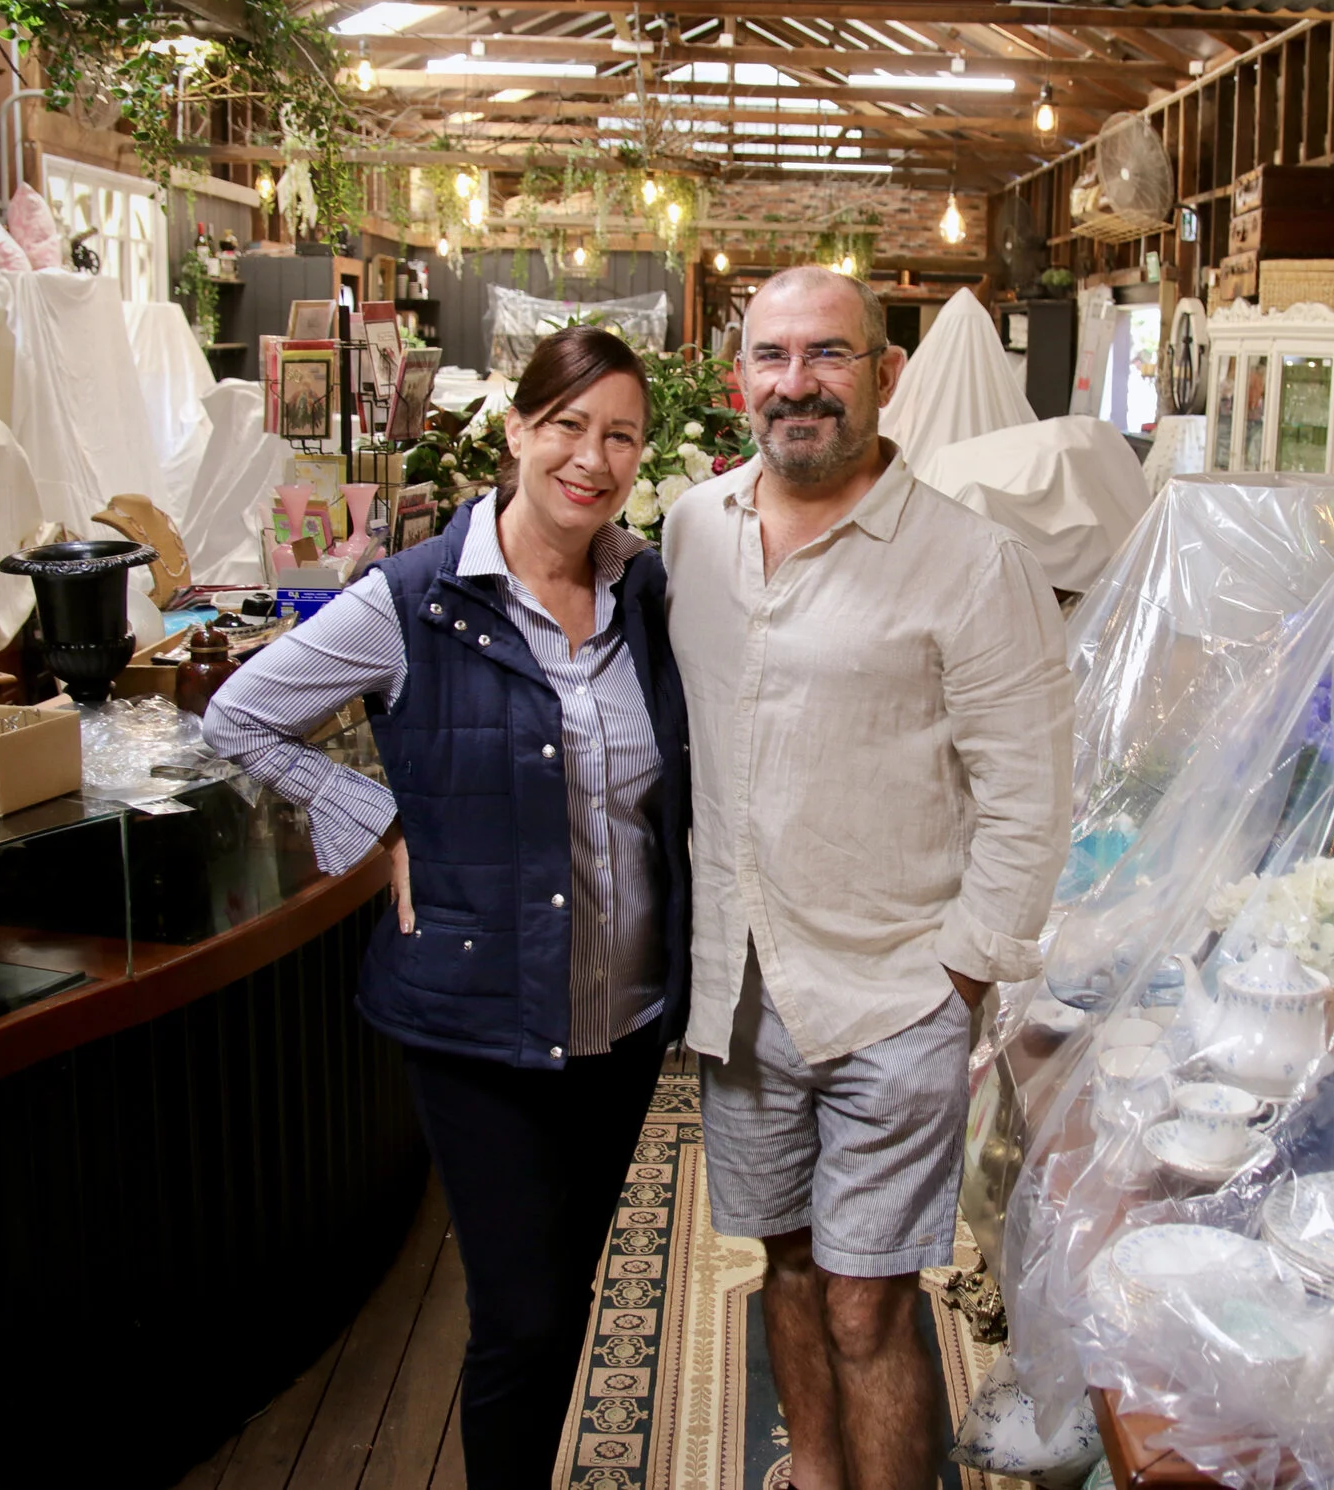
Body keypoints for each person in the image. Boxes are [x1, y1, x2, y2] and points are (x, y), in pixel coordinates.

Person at [202, 325, 689, 1487]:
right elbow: (237, 716)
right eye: (567, 425)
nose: (593, 457)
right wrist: (377, 821)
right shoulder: (415, 600)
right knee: (521, 1315)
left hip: (621, 1019)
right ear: (517, 431)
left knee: (567, 1291)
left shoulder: (644, 588)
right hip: (479, 1019)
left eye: (621, 435)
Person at [662, 266, 1070, 1490]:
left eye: (828, 355)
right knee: (785, 1265)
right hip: (739, 989)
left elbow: (1029, 799)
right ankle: (818, 1472)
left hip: (894, 994)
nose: (798, 384)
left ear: (885, 375)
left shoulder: (970, 562)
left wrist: (957, 983)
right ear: (737, 378)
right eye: (772, 356)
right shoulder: (693, 529)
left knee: (865, 1301)